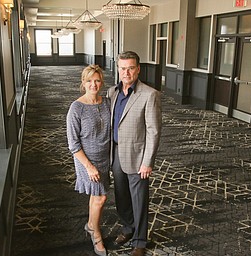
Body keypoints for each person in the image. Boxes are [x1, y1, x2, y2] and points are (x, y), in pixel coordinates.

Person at [107, 51, 162, 256]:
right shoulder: (112, 92)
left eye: (130, 68)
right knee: (121, 197)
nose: (126, 72)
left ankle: (140, 241)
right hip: (116, 154)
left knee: (139, 199)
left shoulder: (149, 94)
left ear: (138, 69)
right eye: (123, 68)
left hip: (138, 157)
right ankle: (128, 228)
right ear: (118, 69)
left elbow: (153, 131)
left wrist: (148, 162)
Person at [66, 65, 110, 256]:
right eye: (89, 81)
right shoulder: (76, 108)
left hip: (104, 158)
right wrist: (89, 167)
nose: (94, 84)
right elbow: (73, 144)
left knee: (96, 196)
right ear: (83, 83)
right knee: (101, 197)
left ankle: (91, 224)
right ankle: (95, 230)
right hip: (86, 160)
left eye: (97, 80)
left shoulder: (107, 102)